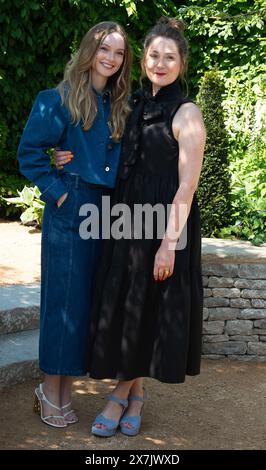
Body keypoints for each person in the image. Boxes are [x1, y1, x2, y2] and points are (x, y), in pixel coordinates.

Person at [55, 16, 206, 437]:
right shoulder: (132, 103)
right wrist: (61, 157)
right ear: (142, 60)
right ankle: (136, 395)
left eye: (169, 57)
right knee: (131, 308)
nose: (160, 63)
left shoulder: (187, 113)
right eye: (153, 55)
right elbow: (95, 147)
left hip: (162, 226)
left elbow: (187, 187)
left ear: (181, 63)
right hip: (125, 223)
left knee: (147, 307)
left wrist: (167, 245)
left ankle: (120, 396)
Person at [17, 21, 132, 428]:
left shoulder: (121, 105)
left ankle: (67, 388)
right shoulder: (58, 98)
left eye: (119, 53)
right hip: (72, 203)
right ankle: (51, 389)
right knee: (63, 300)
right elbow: (29, 153)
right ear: (89, 50)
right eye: (104, 49)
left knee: (85, 302)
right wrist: (59, 190)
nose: (111, 58)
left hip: (107, 211)